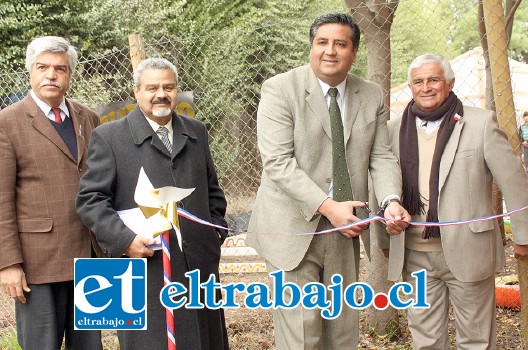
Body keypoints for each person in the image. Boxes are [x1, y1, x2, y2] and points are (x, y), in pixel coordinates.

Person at [247, 13, 411, 349]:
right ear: (311, 48)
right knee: (303, 333)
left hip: (345, 227)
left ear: (353, 53)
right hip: (290, 228)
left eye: (340, 43)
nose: (330, 51)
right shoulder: (280, 89)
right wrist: (327, 206)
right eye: (322, 42)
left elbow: (380, 156)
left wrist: (391, 200)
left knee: (341, 331)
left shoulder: (371, 95)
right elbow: (277, 162)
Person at [76, 57, 229, 350]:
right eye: (152, 87)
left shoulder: (196, 131)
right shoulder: (109, 137)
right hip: (140, 268)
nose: (161, 94)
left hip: (197, 266)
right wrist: (124, 241)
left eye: (168, 87)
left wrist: (213, 234)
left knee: (204, 340)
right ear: (136, 92)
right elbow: (90, 200)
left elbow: (213, 193)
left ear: (177, 90)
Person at [380, 53, 528, 349]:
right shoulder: (393, 130)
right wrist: (386, 237)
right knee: (426, 341)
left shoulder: (480, 123)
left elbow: (514, 181)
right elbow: (382, 181)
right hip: (414, 253)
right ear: (410, 86)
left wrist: (523, 236)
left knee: (476, 340)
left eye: (434, 80)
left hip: (468, 249)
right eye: (418, 82)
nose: (426, 87)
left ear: (449, 83)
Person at [0, 36, 102, 349]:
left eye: (60, 69)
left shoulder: (89, 118)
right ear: (30, 72)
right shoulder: (8, 122)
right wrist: (8, 264)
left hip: (90, 258)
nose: (51, 75)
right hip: (37, 262)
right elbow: (1, 200)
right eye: (42, 67)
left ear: (70, 75)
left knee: (89, 345)